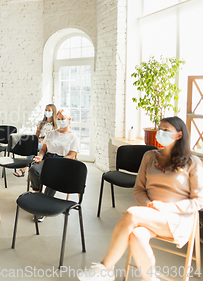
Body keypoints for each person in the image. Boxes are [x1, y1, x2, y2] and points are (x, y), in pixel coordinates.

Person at [78, 116, 203, 281]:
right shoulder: (149, 156)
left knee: (131, 214)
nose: (160, 133)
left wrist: (165, 208)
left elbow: (198, 201)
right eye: (160, 129)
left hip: (176, 218)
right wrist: (148, 205)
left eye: (166, 130)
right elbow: (139, 188)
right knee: (136, 235)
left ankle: (105, 268)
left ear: (179, 135)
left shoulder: (192, 162)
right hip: (150, 213)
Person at [28, 108, 79, 198]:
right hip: (48, 159)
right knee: (33, 170)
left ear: (69, 120)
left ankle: (46, 199)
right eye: (58, 119)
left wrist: (58, 162)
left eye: (62, 119)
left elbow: (72, 155)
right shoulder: (51, 133)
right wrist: (40, 156)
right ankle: (37, 194)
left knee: (53, 175)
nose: (60, 121)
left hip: (62, 161)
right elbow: (43, 149)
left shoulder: (73, 137)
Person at [13, 103, 57, 177]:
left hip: (47, 144)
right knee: (33, 147)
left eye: (49, 110)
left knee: (33, 148)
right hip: (38, 143)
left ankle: (23, 169)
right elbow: (36, 135)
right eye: (46, 110)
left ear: (53, 112)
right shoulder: (41, 123)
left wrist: (43, 141)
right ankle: (29, 172)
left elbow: (54, 138)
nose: (47, 112)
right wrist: (36, 140)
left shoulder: (55, 125)